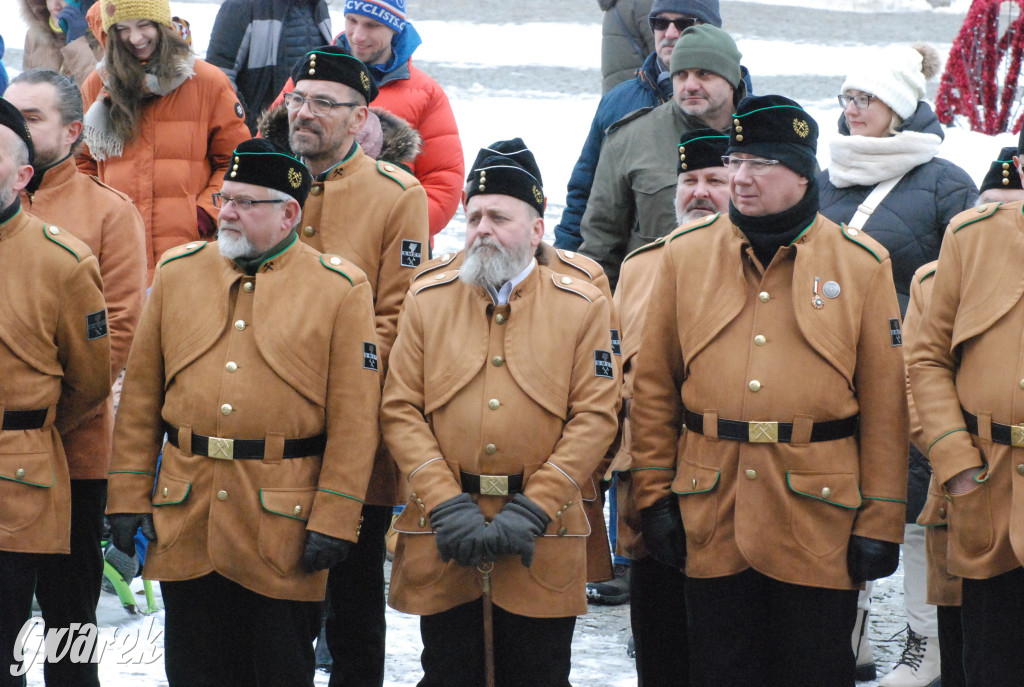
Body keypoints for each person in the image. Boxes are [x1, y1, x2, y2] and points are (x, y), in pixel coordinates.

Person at [630, 95, 909, 686]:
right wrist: (653, 497)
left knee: (812, 668)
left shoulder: (860, 264)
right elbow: (654, 387)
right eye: (736, 161)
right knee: (718, 668)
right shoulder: (686, 255)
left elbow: (886, 406)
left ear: (802, 172)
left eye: (760, 163)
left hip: (817, 516)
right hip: (712, 508)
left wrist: (881, 519)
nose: (740, 178)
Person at [104, 138, 381, 687]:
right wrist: (128, 493)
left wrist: (336, 516)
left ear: (289, 214)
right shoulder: (180, 272)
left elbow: (355, 422)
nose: (224, 212)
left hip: (283, 527)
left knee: (278, 671)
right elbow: (140, 400)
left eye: (244, 202)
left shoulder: (340, 290)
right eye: (224, 198)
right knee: (193, 670)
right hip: (188, 517)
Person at [381, 138, 621, 686]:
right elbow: (400, 409)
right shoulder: (428, 298)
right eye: (474, 217)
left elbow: (595, 418)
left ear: (537, 230)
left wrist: (532, 509)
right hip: (445, 528)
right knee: (447, 670)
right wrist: (446, 504)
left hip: (544, 532)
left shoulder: (582, 305)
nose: (482, 229)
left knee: (537, 672)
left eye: (499, 217)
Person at [817, 43, 977, 685]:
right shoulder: (826, 177)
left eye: (867, 99)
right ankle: (847, 635)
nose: (853, 110)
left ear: (901, 108)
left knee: (914, 507)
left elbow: (966, 284)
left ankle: (923, 642)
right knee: (841, 499)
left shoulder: (946, 182)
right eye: (848, 99)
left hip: (912, 370)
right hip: (832, 367)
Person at [283, 45, 428, 687]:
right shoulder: (265, 179)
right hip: (270, 436)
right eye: (297, 99)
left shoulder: (397, 195)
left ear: (359, 117)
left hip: (355, 432)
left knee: (353, 611)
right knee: (277, 609)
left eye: (323, 103)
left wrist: (330, 380)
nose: (304, 113)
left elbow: (400, 317)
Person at [6, 69, 147, 687]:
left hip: (76, 449)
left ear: (71, 130)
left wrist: (40, 422)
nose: (16, 123)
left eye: (32, 117)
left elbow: (112, 340)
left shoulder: (107, 213)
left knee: (69, 622)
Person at [609, 128, 729, 686]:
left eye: (714, 180)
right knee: (660, 657)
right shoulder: (638, 268)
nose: (699, 192)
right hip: (650, 498)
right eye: (689, 181)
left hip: (729, 497)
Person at [0, 98, 111, 687]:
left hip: (16, 482)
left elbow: (89, 380)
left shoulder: (61, 261)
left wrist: (28, 425)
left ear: (22, 177)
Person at [908, 161, 1024, 687]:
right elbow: (927, 361)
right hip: (989, 491)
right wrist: (956, 461)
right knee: (990, 661)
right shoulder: (971, 236)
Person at [78, 0, 250, 281]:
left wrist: (204, 213)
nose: (135, 38)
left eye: (144, 24)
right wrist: (97, 216)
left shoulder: (207, 81)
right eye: (122, 28)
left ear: (163, 25)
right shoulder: (97, 85)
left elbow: (236, 160)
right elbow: (81, 162)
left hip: (191, 253)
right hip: (117, 253)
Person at [271, 0, 463, 239]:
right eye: (352, 21)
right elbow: (269, 152)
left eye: (372, 26)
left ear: (396, 28)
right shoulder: (308, 80)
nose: (358, 36)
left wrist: (395, 229)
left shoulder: (426, 94)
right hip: (301, 236)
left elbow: (443, 182)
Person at [556, 0, 734, 251]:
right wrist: (564, 272)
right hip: (647, 280)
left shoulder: (754, 117)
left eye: (683, 23)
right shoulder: (619, 106)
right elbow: (584, 203)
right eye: (659, 22)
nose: (670, 33)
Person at [578, 24, 745, 287]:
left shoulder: (767, 135)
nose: (690, 85)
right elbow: (601, 243)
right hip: (651, 304)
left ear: (731, 79)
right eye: (680, 75)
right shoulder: (631, 138)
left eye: (703, 74)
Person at [905, 260, 965, 687]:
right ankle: (925, 644)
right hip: (964, 485)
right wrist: (956, 460)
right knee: (974, 645)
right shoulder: (934, 279)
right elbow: (915, 376)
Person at [207, 0, 333, 134]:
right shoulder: (241, 5)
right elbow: (218, 77)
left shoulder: (318, 6)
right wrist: (247, 124)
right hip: (257, 134)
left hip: (305, 131)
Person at [19, 0, 103, 86]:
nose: (54, 6)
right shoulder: (35, 36)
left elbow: (100, 92)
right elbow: (26, 87)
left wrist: (77, 43)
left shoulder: (107, 40)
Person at [599, 0, 655, 93]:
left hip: (619, 94)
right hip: (640, 96)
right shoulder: (643, 4)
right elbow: (666, 59)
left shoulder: (619, 3)